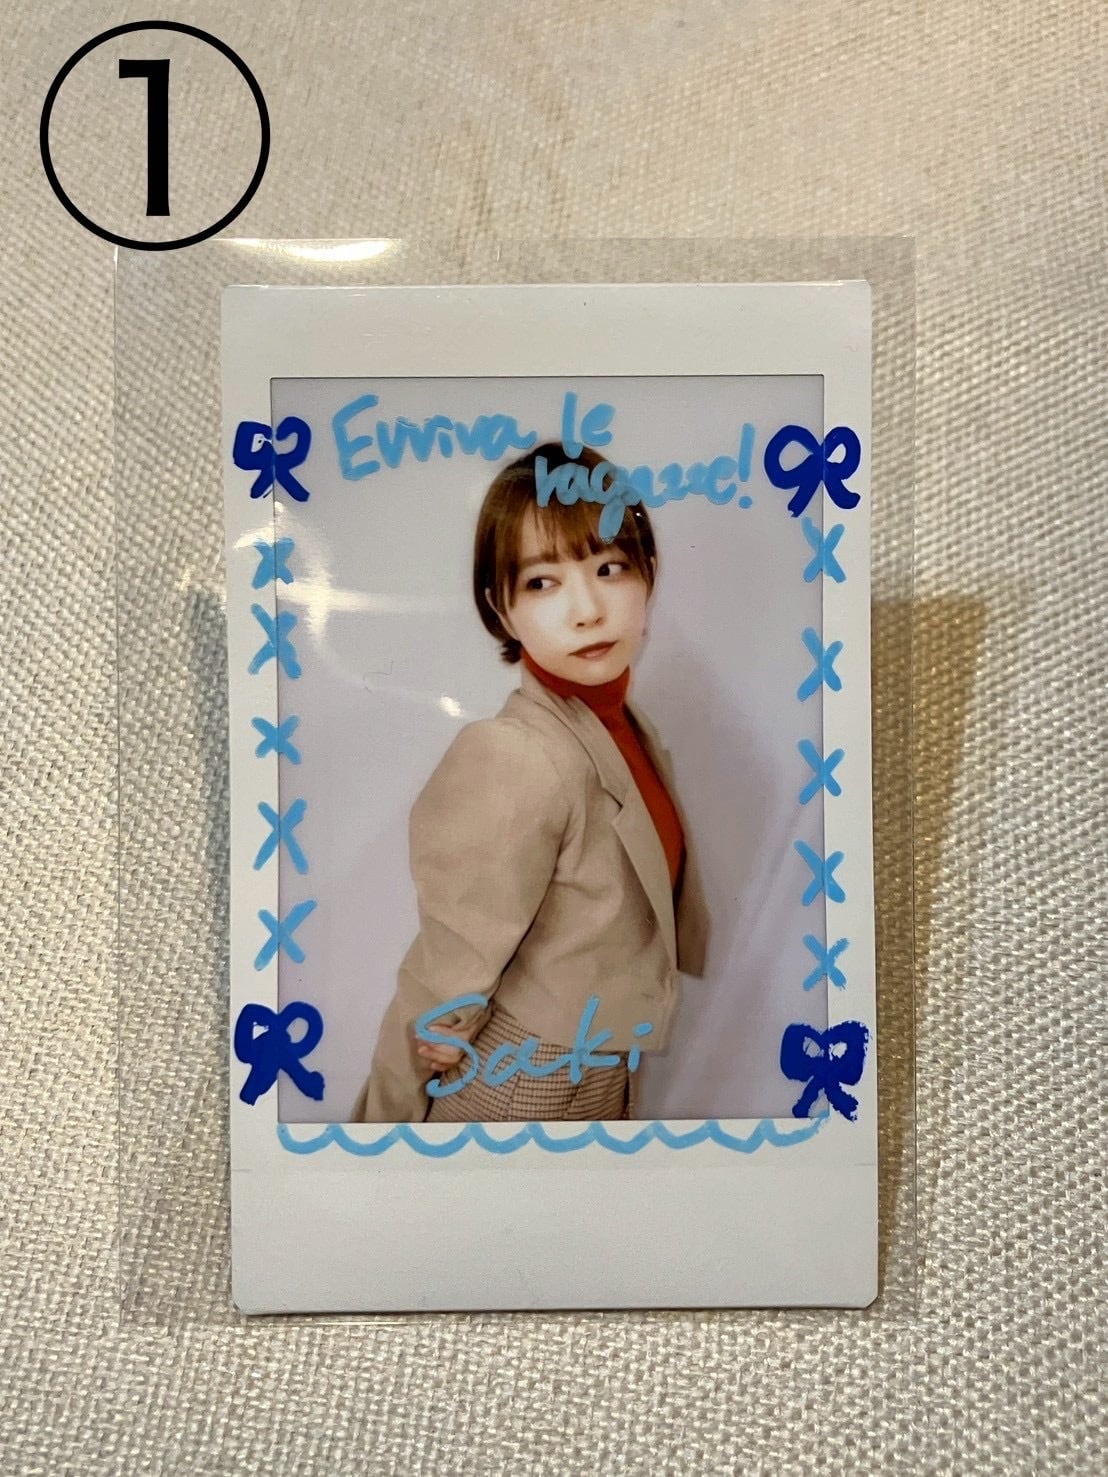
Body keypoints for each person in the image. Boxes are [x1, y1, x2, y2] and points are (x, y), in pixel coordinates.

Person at [352, 442, 709, 1123]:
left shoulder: (629, 730)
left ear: (648, 574)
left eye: (609, 568)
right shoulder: (511, 754)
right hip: (522, 1083)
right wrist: (376, 1146)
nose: (587, 609)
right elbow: (440, 978)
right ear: (501, 608)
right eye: (543, 582)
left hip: (603, 1071)